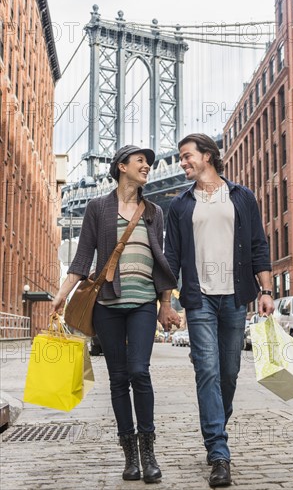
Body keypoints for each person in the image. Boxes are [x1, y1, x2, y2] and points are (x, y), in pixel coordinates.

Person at [52, 145, 180, 484]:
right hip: (107, 306)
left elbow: (162, 263)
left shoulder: (154, 211)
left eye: (150, 163)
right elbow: (82, 259)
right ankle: (130, 455)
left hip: (141, 305)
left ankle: (149, 450)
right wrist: (61, 296)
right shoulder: (98, 208)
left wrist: (165, 303)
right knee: (118, 378)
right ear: (121, 166)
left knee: (140, 371)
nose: (148, 166)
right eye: (141, 161)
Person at [164, 134, 274, 488]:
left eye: (186, 157)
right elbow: (171, 258)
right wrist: (166, 301)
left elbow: (258, 244)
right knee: (207, 370)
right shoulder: (180, 205)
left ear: (207, 156)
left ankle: (215, 426)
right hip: (200, 299)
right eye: (181, 159)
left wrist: (267, 290)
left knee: (228, 372)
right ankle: (219, 452)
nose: (181, 163)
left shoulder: (242, 197)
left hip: (236, 295)